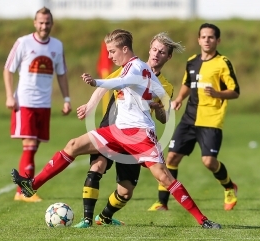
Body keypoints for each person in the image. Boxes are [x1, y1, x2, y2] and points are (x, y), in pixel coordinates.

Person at [11, 29, 221, 229]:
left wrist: (96, 81)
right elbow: (141, 87)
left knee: (165, 178)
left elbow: (125, 82)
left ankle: (203, 220)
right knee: (73, 145)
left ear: (124, 49)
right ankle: (32, 185)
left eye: (112, 51)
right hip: (117, 130)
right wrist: (146, 101)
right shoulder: (140, 67)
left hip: (139, 134)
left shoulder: (135, 67)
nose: (110, 56)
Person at [73, 32, 183, 228]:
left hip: (136, 136)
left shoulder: (165, 86)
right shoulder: (130, 67)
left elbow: (164, 119)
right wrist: (90, 105)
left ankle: (104, 217)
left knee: (126, 191)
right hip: (111, 128)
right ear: (149, 49)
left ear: (168, 57)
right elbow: (104, 86)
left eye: (162, 52)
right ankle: (86, 220)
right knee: (97, 167)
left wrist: (164, 110)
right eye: (155, 49)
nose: (157, 54)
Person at [148, 23, 240, 212]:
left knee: (208, 161)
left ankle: (229, 187)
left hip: (211, 118)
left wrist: (217, 93)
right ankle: (162, 202)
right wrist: (180, 98)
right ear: (198, 40)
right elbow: (187, 83)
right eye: (203, 37)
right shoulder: (192, 61)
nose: (207, 40)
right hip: (189, 118)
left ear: (218, 40)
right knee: (171, 157)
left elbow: (235, 91)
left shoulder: (223, 63)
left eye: (211, 37)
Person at [3, 7, 72, 202]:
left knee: (35, 145)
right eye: (40, 22)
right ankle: (22, 192)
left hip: (45, 103)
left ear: (52, 24)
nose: (44, 26)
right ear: (35, 23)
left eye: (47, 22)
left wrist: (66, 99)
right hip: (24, 101)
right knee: (30, 145)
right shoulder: (23, 43)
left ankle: (24, 189)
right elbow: (8, 69)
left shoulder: (57, 46)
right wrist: (10, 95)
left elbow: (62, 73)